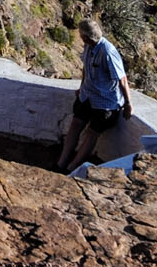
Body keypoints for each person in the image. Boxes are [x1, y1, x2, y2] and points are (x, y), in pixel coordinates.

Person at [56, 18, 133, 170]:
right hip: (87, 95)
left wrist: (128, 103)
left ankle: (72, 167)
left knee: (92, 133)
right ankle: (61, 163)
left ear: (86, 37)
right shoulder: (89, 47)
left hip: (105, 102)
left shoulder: (108, 52)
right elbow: (86, 67)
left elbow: (122, 78)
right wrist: (82, 86)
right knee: (75, 124)